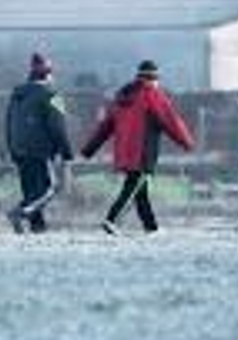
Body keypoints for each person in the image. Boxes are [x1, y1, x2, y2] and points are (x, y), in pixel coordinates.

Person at [80, 59, 196, 235]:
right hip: (142, 152)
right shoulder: (153, 95)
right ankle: (112, 220)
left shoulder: (122, 97)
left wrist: (89, 149)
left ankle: (151, 227)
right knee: (133, 188)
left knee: (140, 190)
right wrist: (187, 143)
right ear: (154, 78)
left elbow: (105, 127)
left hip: (124, 152)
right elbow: (171, 121)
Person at [4, 52, 74, 234]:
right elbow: (58, 126)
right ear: (48, 75)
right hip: (40, 150)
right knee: (49, 188)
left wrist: (12, 149)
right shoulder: (53, 95)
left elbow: (8, 122)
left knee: (31, 190)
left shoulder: (16, 95)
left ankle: (38, 227)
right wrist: (66, 153)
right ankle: (20, 213)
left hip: (18, 149)